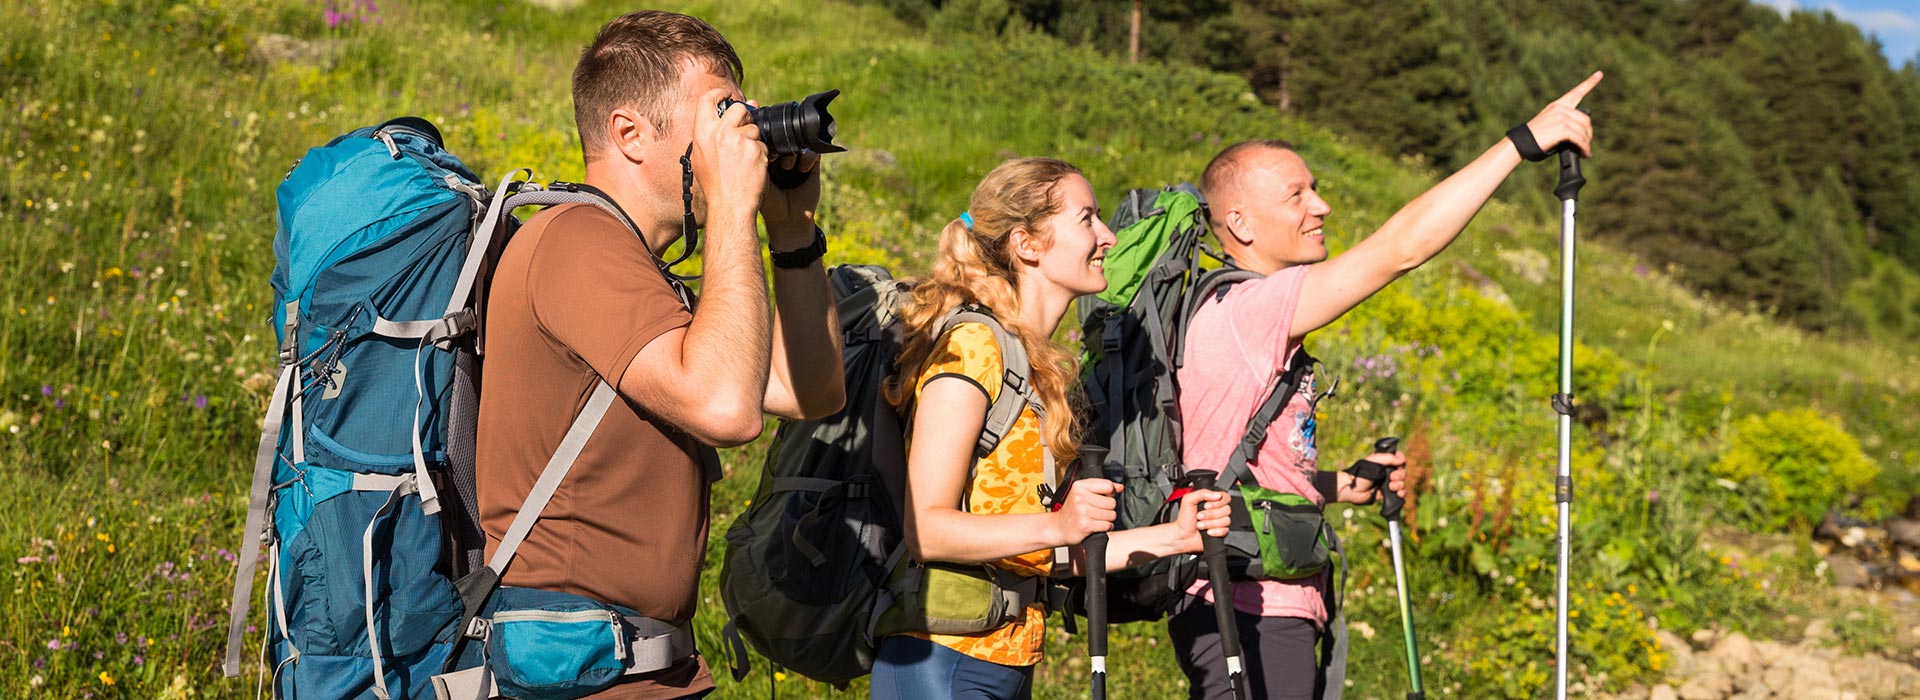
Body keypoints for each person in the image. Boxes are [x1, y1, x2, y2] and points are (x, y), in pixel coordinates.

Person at [1170, 72, 1603, 700]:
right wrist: (1519, 144)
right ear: (1238, 221)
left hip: (1254, 597)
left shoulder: (1228, 311)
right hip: (1249, 606)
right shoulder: (1250, 308)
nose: (1321, 206)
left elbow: (1226, 462)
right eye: (1296, 195)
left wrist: (1337, 485)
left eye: (1315, 189)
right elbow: (1400, 249)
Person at [475, 11, 844, 699]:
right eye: (718, 115)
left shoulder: (638, 269)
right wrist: (734, 208)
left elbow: (810, 393)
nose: (736, 138)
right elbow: (727, 410)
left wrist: (792, 232)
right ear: (629, 132)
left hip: (642, 668)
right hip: (580, 671)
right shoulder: (576, 243)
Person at [871, 157, 1234, 700]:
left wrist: (1175, 537)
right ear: (1028, 244)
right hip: (938, 659)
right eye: (1087, 219)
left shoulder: (1035, 368)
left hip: (1005, 660)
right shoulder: (974, 346)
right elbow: (928, 529)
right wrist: (1058, 526)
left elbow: (1043, 548)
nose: (1107, 236)